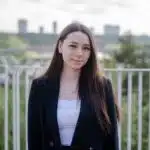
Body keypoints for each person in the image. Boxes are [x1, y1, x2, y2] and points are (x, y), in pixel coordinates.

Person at [28, 22, 120, 150]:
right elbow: (34, 139)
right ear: (60, 46)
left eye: (86, 48)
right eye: (73, 46)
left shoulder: (103, 86)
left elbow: (112, 140)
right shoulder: (40, 87)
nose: (79, 53)